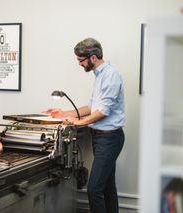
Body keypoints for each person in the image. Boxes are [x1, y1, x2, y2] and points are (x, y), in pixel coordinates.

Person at [46, 38, 125, 213]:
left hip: (109, 139)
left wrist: (79, 122)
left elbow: (103, 111)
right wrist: (64, 114)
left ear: (93, 57)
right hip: (100, 138)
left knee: (94, 189)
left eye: (81, 60)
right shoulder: (99, 75)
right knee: (107, 187)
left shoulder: (110, 75)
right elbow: (91, 108)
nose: (80, 64)